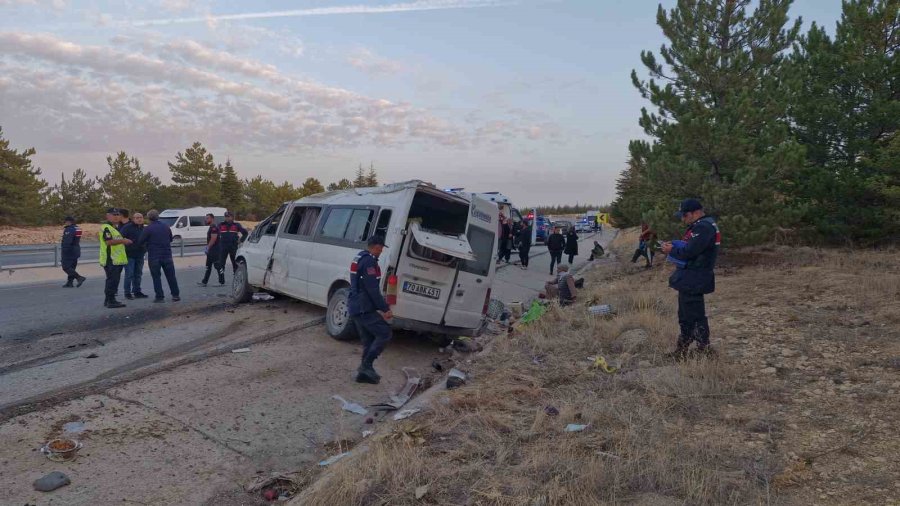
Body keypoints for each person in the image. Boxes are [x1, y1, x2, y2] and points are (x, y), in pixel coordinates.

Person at [661, 199, 721, 359]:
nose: (683, 219)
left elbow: (690, 252)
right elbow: (690, 248)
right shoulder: (703, 225)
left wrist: (671, 250)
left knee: (694, 315)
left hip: (695, 277)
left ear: (696, 212)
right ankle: (682, 350)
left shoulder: (703, 227)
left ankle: (704, 350)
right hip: (691, 277)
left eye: (685, 215)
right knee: (685, 314)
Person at [348, 235, 393, 384]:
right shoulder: (369, 262)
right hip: (363, 307)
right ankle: (366, 366)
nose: (381, 251)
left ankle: (364, 373)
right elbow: (372, 289)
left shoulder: (360, 257)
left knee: (369, 339)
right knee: (384, 333)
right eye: (380, 248)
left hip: (356, 306)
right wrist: (385, 308)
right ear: (375, 246)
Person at [139, 209, 181, 303]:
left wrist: (147, 245)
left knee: (156, 277)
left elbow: (141, 241)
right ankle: (175, 295)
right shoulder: (166, 226)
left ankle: (159, 297)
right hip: (167, 255)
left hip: (154, 256)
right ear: (158, 217)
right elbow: (170, 239)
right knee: (171, 276)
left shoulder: (148, 228)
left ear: (149, 218)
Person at [99, 208, 132, 308]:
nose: (116, 216)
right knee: (112, 280)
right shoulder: (107, 227)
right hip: (111, 259)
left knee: (113, 280)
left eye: (118, 214)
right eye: (114, 214)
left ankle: (108, 300)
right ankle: (111, 301)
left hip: (116, 260)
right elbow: (108, 242)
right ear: (108, 216)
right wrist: (123, 241)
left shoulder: (114, 228)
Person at [119, 212, 148, 299]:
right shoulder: (127, 227)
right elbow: (120, 238)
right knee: (129, 274)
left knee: (138, 274)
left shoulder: (144, 228)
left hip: (140, 255)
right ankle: (127, 293)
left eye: (141, 217)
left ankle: (137, 291)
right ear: (133, 219)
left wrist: (145, 247)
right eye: (137, 217)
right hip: (129, 255)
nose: (139, 219)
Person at [198, 213, 224, 286]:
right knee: (208, 266)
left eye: (207, 218)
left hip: (215, 250)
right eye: (206, 218)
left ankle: (222, 281)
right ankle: (204, 282)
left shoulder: (214, 228)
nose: (206, 220)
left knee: (217, 266)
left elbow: (213, 238)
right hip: (211, 250)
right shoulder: (211, 227)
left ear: (212, 219)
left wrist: (207, 247)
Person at [60, 216, 85, 288]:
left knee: (66, 267)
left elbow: (67, 241)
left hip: (69, 250)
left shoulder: (69, 229)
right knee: (72, 267)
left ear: (68, 221)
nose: (65, 223)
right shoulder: (78, 228)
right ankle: (70, 282)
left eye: (65, 221)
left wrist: (64, 250)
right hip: (76, 249)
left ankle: (79, 278)